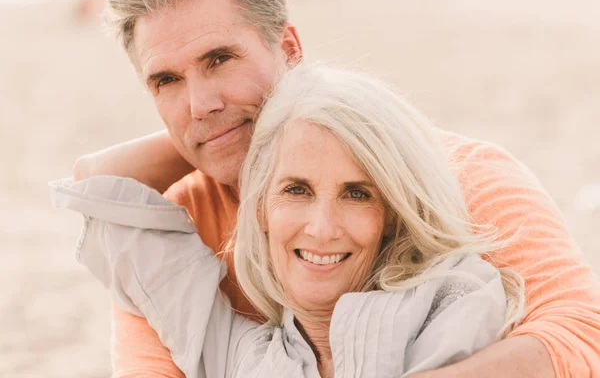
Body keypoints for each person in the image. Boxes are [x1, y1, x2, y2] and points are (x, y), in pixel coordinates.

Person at [73, 0, 600, 377]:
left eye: (220, 59)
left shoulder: (458, 173)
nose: (200, 102)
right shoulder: (174, 223)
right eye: (167, 80)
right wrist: (216, 132)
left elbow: (582, 335)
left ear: (291, 51)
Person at [54, 64, 525, 378]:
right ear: (259, 209)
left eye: (357, 194)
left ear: (391, 216)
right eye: (296, 189)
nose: (322, 228)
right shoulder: (237, 350)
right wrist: (216, 128)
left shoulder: (454, 299)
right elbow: (98, 184)